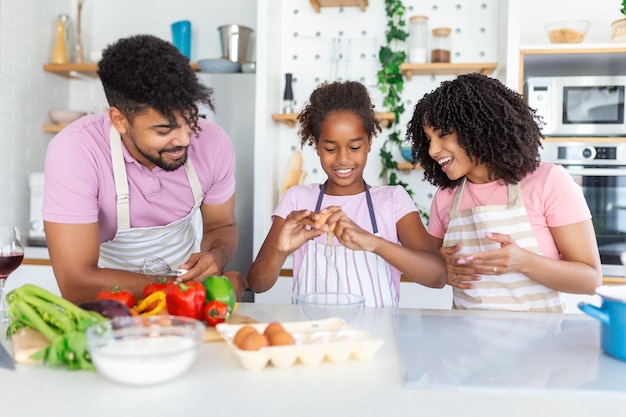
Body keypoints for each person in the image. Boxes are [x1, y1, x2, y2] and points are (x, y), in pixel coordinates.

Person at [43, 34, 246, 304]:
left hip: (184, 309)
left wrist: (215, 256)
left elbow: (223, 224)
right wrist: (189, 288)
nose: (185, 140)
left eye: (190, 121)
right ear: (119, 120)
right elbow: (76, 282)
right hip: (106, 309)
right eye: (164, 129)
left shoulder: (214, 142)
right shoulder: (76, 151)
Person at [405, 73, 602, 312]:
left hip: (539, 345)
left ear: (476, 127)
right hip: (464, 344)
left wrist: (525, 262)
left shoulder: (548, 181)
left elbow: (590, 280)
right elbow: (432, 268)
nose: (433, 150)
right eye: (428, 139)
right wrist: (444, 269)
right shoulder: (446, 196)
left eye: (442, 134)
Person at [247, 80, 447, 307]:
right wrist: (279, 250)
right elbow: (257, 284)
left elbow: (437, 276)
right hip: (313, 338)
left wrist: (374, 243)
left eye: (354, 147)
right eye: (331, 149)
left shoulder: (392, 200)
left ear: (370, 141)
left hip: (377, 338)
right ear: (316, 144)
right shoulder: (297, 199)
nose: (343, 159)